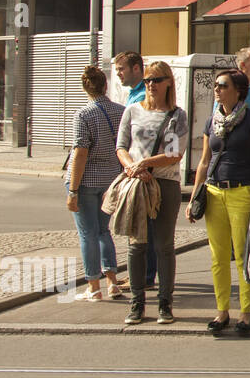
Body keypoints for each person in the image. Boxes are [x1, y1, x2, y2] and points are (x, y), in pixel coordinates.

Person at [188, 68, 250, 333]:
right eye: (215, 85)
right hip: (214, 193)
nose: (217, 89)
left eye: (222, 85)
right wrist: (193, 197)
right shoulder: (211, 121)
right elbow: (204, 161)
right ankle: (221, 311)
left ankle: (246, 313)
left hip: (243, 192)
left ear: (238, 91)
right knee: (218, 256)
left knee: (244, 255)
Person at [116, 60, 189, 326]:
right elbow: (121, 146)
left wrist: (145, 164)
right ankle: (137, 304)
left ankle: (164, 304)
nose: (150, 85)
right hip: (136, 183)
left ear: (168, 82)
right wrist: (133, 168)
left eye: (156, 80)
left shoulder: (176, 116)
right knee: (136, 245)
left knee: (163, 246)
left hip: (165, 184)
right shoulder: (133, 111)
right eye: (147, 80)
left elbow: (174, 154)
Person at [66, 65, 127, 302]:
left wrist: (72, 190)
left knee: (87, 234)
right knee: (103, 231)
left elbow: (80, 153)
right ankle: (112, 282)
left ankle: (93, 286)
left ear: (85, 88)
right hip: (111, 179)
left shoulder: (83, 114)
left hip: (86, 181)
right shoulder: (121, 111)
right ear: (105, 86)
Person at [112, 51, 157, 289]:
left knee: (143, 229)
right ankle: (141, 275)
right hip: (133, 167)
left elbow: (144, 138)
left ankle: (145, 277)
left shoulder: (142, 98)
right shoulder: (133, 95)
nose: (119, 73)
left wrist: (139, 165)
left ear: (137, 68)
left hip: (143, 170)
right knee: (139, 228)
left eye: (122, 69)